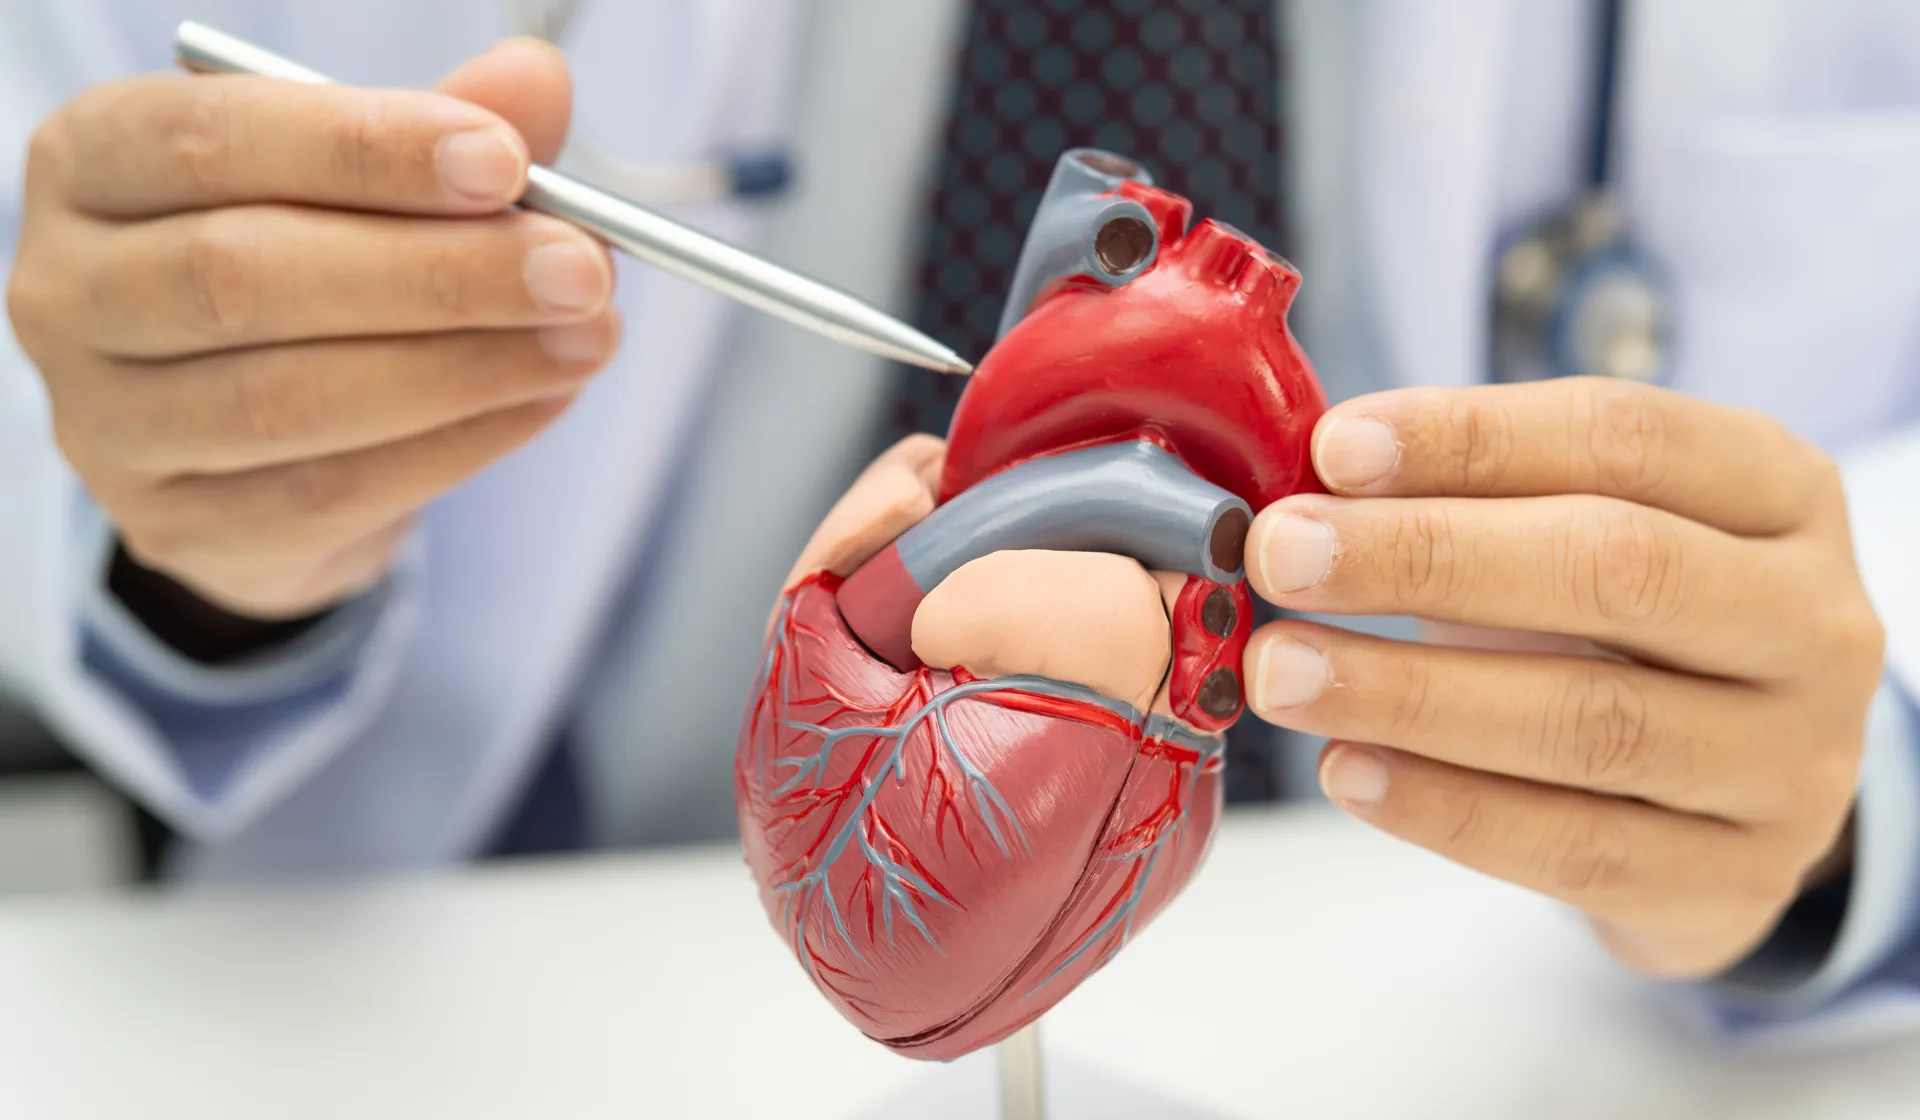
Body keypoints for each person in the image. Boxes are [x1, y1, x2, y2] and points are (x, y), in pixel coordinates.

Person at [0, 0, 1914, 1041]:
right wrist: (219, 527)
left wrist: (1831, 803)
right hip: (510, 990)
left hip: (1463, 1012)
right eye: (1150, 255)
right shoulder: (1011, 558)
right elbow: (85, 342)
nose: (1227, 271)